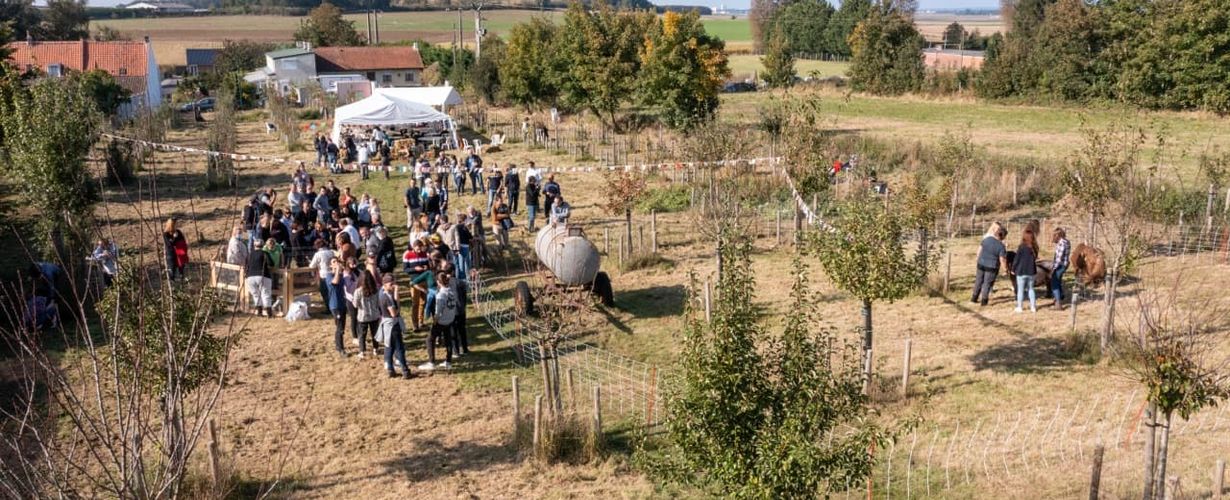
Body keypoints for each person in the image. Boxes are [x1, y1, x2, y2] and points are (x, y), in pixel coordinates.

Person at [420, 272, 457, 371]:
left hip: (442, 321)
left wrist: (435, 322)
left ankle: (431, 362)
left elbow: (438, 312)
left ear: (438, 282)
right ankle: (448, 362)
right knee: (448, 339)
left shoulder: (441, 295)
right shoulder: (451, 291)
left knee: (429, 340)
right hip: (450, 319)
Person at [379, 274, 413, 379]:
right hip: (392, 325)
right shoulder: (386, 298)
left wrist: (396, 292)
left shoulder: (383, 293)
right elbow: (394, 313)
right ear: (385, 284)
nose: (393, 285)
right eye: (391, 284)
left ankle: (390, 370)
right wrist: (398, 308)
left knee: (389, 347)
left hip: (387, 324)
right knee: (399, 348)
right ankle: (405, 370)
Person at [971, 222, 1008, 307]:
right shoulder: (1001, 246)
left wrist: (978, 259)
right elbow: (1002, 259)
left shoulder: (986, 239)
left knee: (978, 281)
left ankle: (974, 298)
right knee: (987, 283)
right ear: (1003, 236)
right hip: (991, 267)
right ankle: (984, 302)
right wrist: (1005, 269)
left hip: (981, 263)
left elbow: (979, 250)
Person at [353, 267, 382, 358]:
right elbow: (379, 303)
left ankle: (362, 351)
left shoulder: (358, 291)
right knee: (375, 333)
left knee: (362, 335)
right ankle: (375, 349)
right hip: (374, 315)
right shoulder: (376, 290)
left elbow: (355, 305)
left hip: (363, 316)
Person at [403, 239, 431, 331]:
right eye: (418, 248)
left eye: (421, 248)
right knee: (415, 303)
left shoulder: (424, 254)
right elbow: (405, 269)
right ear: (414, 247)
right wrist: (415, 269)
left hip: (424, 280)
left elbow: (428, 266)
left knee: (423, 302)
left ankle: (421, 321)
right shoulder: (408, 255)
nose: (419, 250)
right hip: (414, 281)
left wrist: (427, 267)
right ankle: (415, 324)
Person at [245, 240, 274, 317]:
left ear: (254, 246)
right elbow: (271, 264)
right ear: (263, 245)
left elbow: (246, 264)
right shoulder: (264, 253)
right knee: (266, 294)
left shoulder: (250, 254)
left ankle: (259, 312)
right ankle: (269, 313)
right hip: (262, 275)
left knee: (255, 295)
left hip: (250, 276)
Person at [327, 258, 349, 357]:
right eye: (333, 262)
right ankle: (341, 349)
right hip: (335, 305)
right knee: (340, 327)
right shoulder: (329, 276)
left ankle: (337, 345)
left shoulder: (341, 276)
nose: (336, 263)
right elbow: (335, 282)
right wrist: (337, 271)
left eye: (337, 261)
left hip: (342, 304)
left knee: (341, 327)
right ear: (330, 266)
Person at [1014, 230, 1039, 313]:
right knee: (1031, 289)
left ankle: (1020, 307)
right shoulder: (1035, 248)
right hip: (1031, 271)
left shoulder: (1021, 247)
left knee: (1020, 290)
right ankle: (1033, 307)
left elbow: (1016, 259)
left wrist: (1013, 269)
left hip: (1021, 271)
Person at [1050, 228, 1070, 309]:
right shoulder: (1066, 241)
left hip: (1060, 265)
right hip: (1063, 265)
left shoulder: (1062, 243)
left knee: (1054, 283)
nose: (1053, 237)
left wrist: (1053, 268)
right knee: (1058, 281)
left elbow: (1059, 257)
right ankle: (1060, 297)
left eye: (1054, 235)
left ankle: (1058, 303)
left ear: (1058, 235)